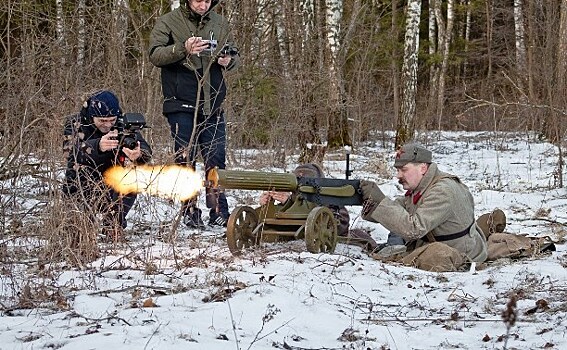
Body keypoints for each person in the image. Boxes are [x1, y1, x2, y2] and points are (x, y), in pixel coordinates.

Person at [148, 0, 240, 229]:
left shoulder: (220, 22)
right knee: (185, 158)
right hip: (181, 102)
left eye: (207, 1)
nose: (203, 5)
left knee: (216, 159)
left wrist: (228, 61)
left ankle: (219, 211)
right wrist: (183, 48)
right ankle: (189, 210)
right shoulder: (168, 22)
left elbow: (234, 53)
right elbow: (155, 55)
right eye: (198, 0)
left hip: (213, 102)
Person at [359, 143, 488, 272]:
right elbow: (401, 207)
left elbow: (415, 228)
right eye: (397, 170)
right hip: (439, 243)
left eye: (403, 170)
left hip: (460, 254)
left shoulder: (442, 191)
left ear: (423, 168)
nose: (398, 176)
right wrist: (371, 201)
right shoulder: (424, 184)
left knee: (430, 256)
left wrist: (380, 202)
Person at [63, 90, 152, 241]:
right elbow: (69, 152)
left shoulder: (123, 124)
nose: (108, 125)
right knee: (79, 233)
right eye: (102, 121)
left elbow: (145, 149)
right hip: (82, 183)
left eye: (111, 120)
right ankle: (83, 224)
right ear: (92, 116)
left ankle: (113, 225)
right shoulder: (75, 123)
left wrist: (138, 154)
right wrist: (97, 146)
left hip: (112, 183)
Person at [259, 163, 379, 251]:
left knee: (359, 235)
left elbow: (340, 227)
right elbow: (274, 228)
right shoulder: (292, 202)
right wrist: (267, 206)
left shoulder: (330, 201)